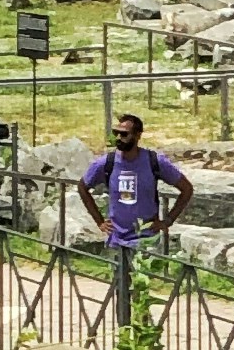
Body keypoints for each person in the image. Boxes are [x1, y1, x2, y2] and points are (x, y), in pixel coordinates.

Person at [79, 111, 192, 272]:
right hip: (117, 239)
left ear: (138, 135)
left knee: (145, 289)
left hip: (147, 241)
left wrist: (168, 221)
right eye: (116, 133)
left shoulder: (154, 161)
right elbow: (83, 187)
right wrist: (99, 221)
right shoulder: (106, 163)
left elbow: (186, 189)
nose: (119, 138)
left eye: (124, 134)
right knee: (121, 289)